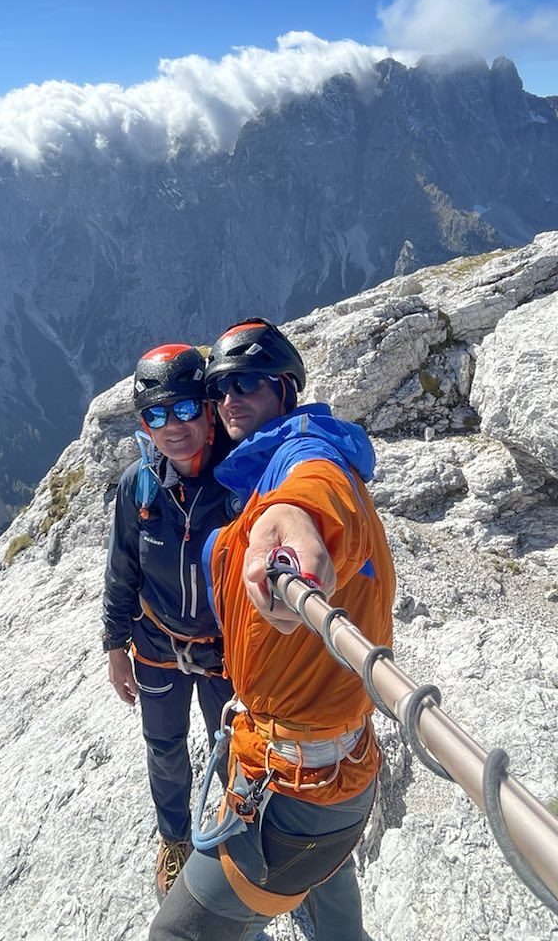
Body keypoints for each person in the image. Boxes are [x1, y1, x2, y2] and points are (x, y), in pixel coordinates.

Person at [150, 318, 395, 941]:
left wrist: (291, 513)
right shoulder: (264, 469)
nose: (232, 400)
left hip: (292, 789)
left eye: (251, 384)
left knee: (176, 936)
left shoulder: (306, 455)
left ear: (285, 392)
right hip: (334, 770)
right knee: (332, 915)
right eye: (223, 388)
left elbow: (314, 487)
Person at [103, 344, 237, 900]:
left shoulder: (240, 478)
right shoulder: (138, 485)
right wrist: (115, 646)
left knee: (230, 746)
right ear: (143, 424)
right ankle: (176, 839)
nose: (173, 425)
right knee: (163, 746)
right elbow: (122, 570)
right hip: (155, 643)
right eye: (156, 415)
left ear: (208, 408)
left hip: (223, 651)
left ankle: (236, 834)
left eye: (184, 408)